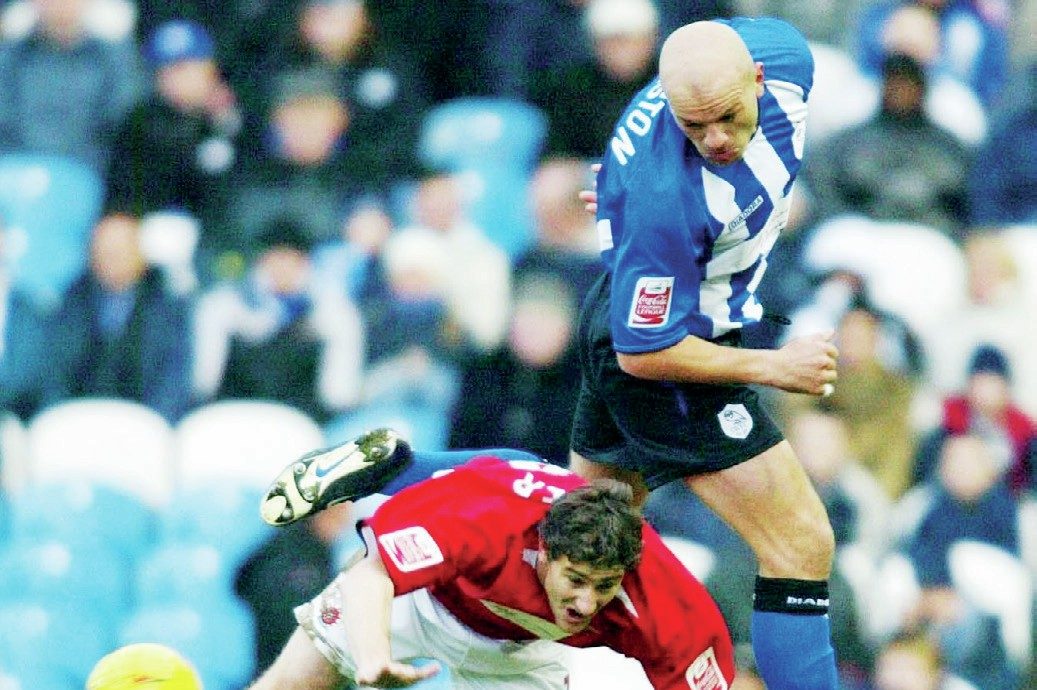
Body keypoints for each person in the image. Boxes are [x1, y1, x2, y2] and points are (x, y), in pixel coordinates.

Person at [571, 18, 840, 689]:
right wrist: (773, 366)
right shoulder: (665, 199)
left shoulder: (786, 54)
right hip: (669, 354)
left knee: (584, 541)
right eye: (694, 127)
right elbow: (642, 352)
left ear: (758, 79)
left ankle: (408, 476)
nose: (716, 139)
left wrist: (619, 189)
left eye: (726, 117)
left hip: (644, 309)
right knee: (800, 542)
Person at [254, 430, 736, 689]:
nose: (587, 603)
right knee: (294, 683)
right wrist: (373, 657)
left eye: (604, 585)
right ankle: (398, 469)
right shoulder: (486, 522)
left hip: (519, 654)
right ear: (545, 551)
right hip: (424, 596)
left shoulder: (662, 596)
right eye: (576, 579)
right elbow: (369, 577)